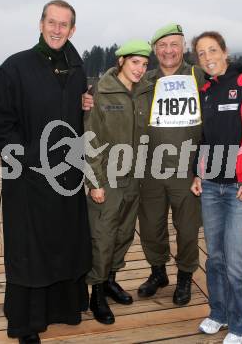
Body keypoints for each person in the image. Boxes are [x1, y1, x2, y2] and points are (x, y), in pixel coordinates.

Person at [82, 23, 242, 307]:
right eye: (162, 45)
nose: (168, 50)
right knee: (150, 227)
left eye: (174, 44)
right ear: (154, 49)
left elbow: (233, 79)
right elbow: (113, 85)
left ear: (183, 47)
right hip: (148, 168)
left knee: (186, 228)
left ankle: (185, 276)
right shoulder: (144, 79)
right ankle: (158, 271)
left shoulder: (198, 75)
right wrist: (89, 94)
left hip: (187, 169)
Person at [0, 0, 91, 344]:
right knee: (30, 247)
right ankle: (27, 322)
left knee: (65, 241)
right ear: (41, 23)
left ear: (72, 30)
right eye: (52, 22)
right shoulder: (15, 68)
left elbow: (78, 118)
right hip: (28, 177)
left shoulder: (77, 70)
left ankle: (65, 308)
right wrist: (30, 156)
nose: (57, 29)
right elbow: (0, 123)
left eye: (64, 25)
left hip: (66, 175)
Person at [190, 31, 242, 344]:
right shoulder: (206, 91)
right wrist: (198, 174)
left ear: (225, 52)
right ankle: (219, 313)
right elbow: (204, 138)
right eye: (201, 53)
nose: (208, 56)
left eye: (213, 49)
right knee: (214, 257)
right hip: (211, 186)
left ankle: (239, 325)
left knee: (235, 259)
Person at [84, 40, 153, 325]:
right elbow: (90, 138)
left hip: (134, 178)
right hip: (108, 179)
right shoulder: (100, 92)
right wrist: (95, 181)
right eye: (135, 62)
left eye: (145, 64)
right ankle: (96, 293)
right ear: (122, 60)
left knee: (124, 234)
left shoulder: (145, 91)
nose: (140, 69)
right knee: (103, 236)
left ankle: (111, 280)